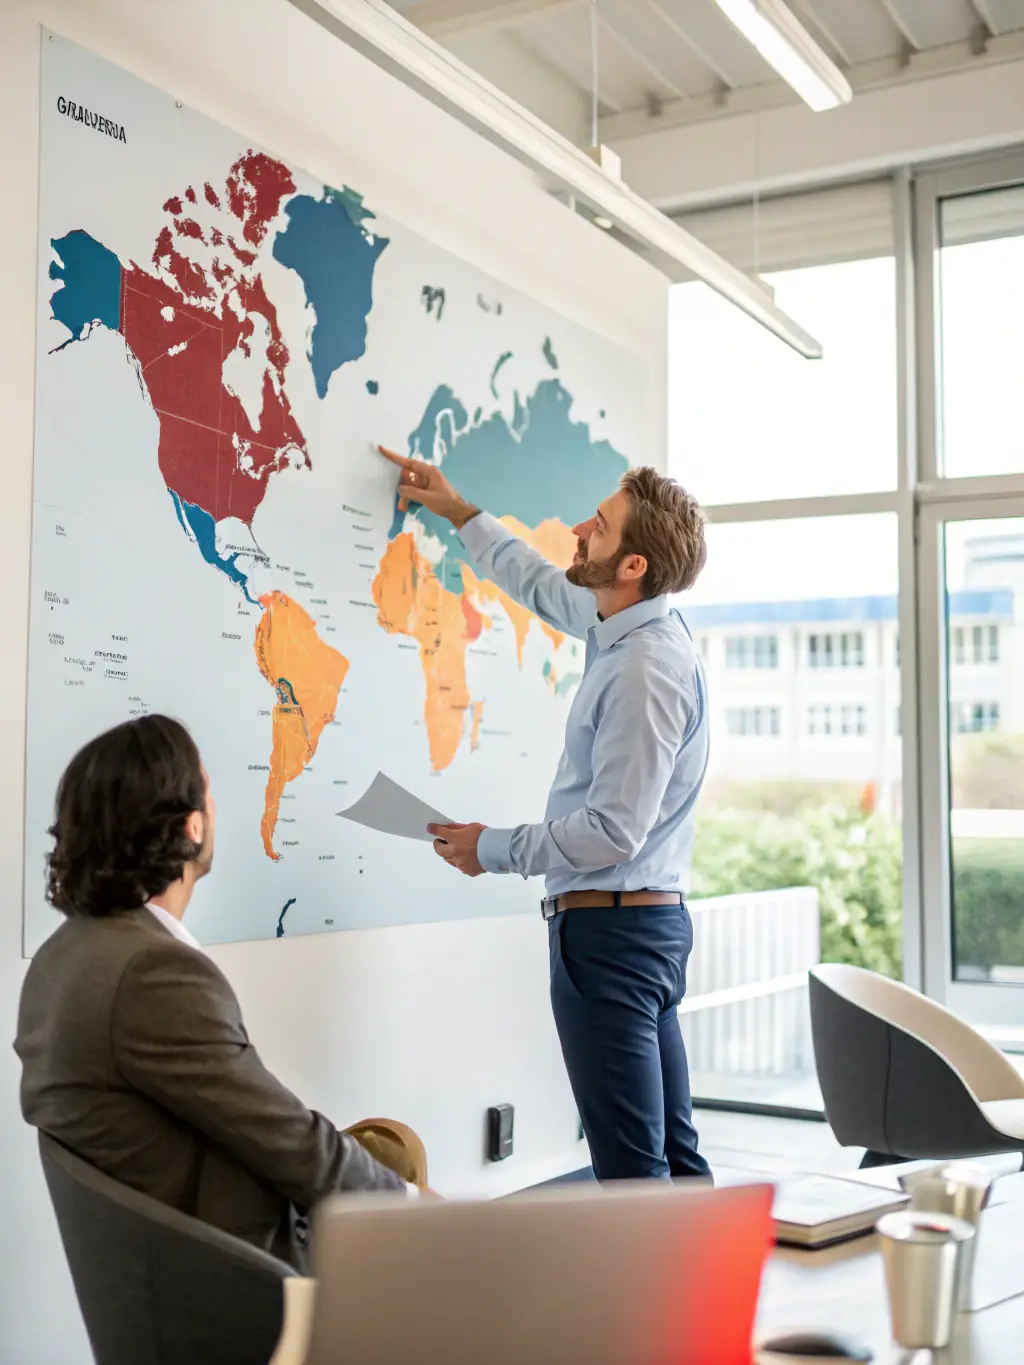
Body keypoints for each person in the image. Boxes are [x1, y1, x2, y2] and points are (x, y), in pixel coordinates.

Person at [380, 447, 711, 1182]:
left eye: (602, 523)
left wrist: (489, 848)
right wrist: (459, 509)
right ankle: (705, 1298)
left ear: (632, 566)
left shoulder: (643, 667)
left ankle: (656, 1301)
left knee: (633, 1168)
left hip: (613, 935)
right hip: (629, 926)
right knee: (671, 1160)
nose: (581, 526)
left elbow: (612, 830)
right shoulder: (621, 627)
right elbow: (537, 584)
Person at [15, 715, 425, 1269]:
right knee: (409, 1181)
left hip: (165, 1242)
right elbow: (289, 1142)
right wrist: (414, 1206)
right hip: (239, 1269)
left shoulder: (63, 955)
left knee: (391, 1147)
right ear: (192, 827)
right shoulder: (152, 972)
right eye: (209, 794)